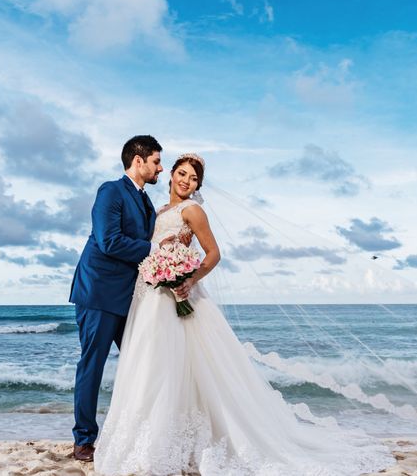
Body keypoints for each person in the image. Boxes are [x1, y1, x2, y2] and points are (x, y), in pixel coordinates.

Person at [94, 153, 391, 475]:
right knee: (151, 364)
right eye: (181, 174)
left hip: (175, 294)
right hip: (149, 295)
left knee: (171, 365)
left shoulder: (192, 210)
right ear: (171, 176)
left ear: (198, 186)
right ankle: (149, 435)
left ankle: (173, 440)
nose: (186, 181)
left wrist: (188, 279)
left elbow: (213, 253)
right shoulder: (157, 210)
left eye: (193, 179)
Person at [68, 135, 166, 463]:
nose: (160, 168)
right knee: (92, 367)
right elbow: (109, 241)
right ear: (137, 161)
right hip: (98, 292)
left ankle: (139, 432)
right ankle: (84, 441)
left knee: (144, 363)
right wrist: (155, 250)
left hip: (130, 297)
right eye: (156, 161)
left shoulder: (147, 201)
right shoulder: (110, 191)